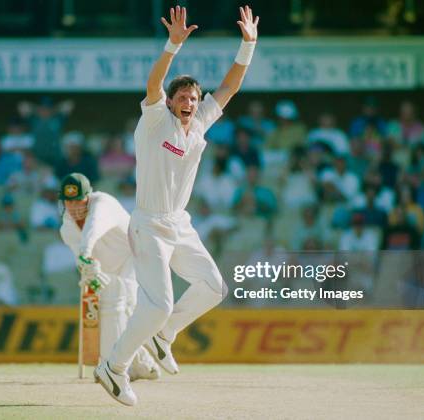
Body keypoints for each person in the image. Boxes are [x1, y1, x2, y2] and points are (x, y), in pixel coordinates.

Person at [94, 5, 259, 406]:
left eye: (193, 97)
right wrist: (173, 45)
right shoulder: (154, 120)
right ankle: (113, 367)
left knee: (213, 287)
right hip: (148, 224)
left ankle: (165, 335)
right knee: (159, 304)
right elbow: (154, 84)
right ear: (170, 102)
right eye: (183, 97)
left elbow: (230, 88)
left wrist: (248, 46)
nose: (190, 102)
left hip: (179, 224)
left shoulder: (199, 121)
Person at [58, 173, 160, 381]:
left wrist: (85, 254)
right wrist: (87, 268)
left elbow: (94, 228)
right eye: (69, 202)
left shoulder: (103, 203)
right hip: (107, 268)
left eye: (79, 201)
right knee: (123, 311)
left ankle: (110, 366)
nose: (75, 207)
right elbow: (80, 256)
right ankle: (141, 363)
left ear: (89, 196)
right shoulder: (66, 228)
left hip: (134, 256)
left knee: (117, 304)